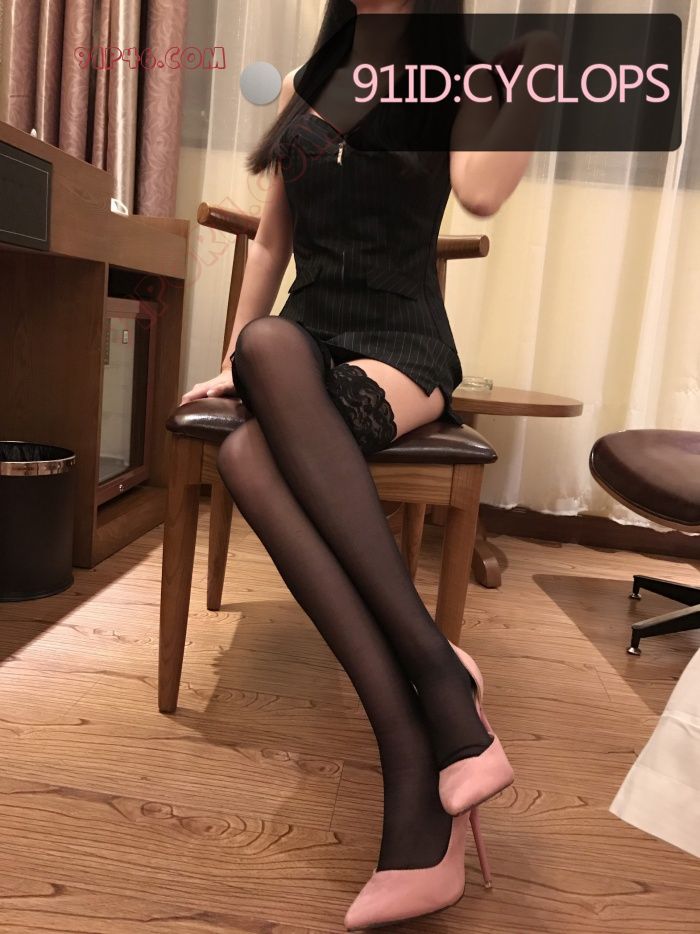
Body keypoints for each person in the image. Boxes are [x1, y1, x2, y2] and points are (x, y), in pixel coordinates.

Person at [182, 1, 554, 927]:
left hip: (401, 345)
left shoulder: (460, 77)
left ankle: (428, 706)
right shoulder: (311, 82)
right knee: (256, 395)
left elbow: (480, 193)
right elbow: (273, 242)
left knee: (262, 396)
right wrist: (231, 360)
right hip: (301, 346)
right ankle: (433, 701)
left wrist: (537, 67)